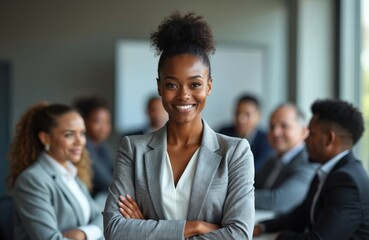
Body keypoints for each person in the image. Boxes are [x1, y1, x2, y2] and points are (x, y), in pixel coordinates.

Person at [103, 12, 255, 239]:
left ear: (209, 86)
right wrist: (195, 227)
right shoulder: (133, 149)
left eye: (195, 84)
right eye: (172, 85)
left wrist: (147, 229)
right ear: (159, 87)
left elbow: (239, 235)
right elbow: (114, 230)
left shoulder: (235, 153)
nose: (184, 95)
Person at [254, 99, 369, 239]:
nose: (305, 140)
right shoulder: (328, 172)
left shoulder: (346, 181)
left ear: (329, 139)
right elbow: (301, 215)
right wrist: (263, 227)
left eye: (312, 134)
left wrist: (278, 237)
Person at [8, 102, 103, 240]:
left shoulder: (71, 173)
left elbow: (101, 216)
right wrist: (94, 232)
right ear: (45, 138)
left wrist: (82, 234)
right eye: (69, 135)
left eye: (82, 133)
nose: (80, 141)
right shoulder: (32, 180)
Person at [254, 103, 318, 214]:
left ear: (303, 132)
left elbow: (277, 201)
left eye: (284, 126)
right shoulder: (272, 158)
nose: (276, 132)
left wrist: (232, 196)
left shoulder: (308, 161)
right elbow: (252, 185)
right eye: (272, 126)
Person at [73, 96, 114, 205]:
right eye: (98, 121)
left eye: (107, 122)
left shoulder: (103, 146)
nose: (104, 127)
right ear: (83, 122)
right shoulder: (83, 148)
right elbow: (108, 183)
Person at [218, 94, 273, 172]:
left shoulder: (266, 140)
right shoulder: (223, 134)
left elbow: (257, 170)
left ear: (258, 116)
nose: (241, 119)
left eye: (247, 114)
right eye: (237, 113)